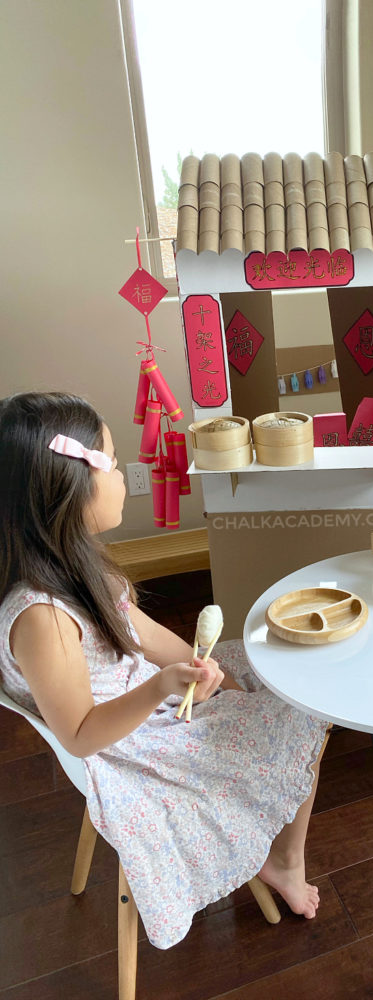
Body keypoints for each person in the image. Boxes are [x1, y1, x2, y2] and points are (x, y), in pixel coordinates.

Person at [0, 391, 329, 949]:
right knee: (300, 717)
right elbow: (79, 736)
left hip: (140, 696)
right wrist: (161, 689)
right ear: (67, 489)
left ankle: (275, 849)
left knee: (279, 662)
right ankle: (283, 861)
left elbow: (150, 640)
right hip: (124, 741)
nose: (127, 474)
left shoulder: (76, 563)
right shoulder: (40, 618)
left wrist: (194, 666)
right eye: (111, 461)